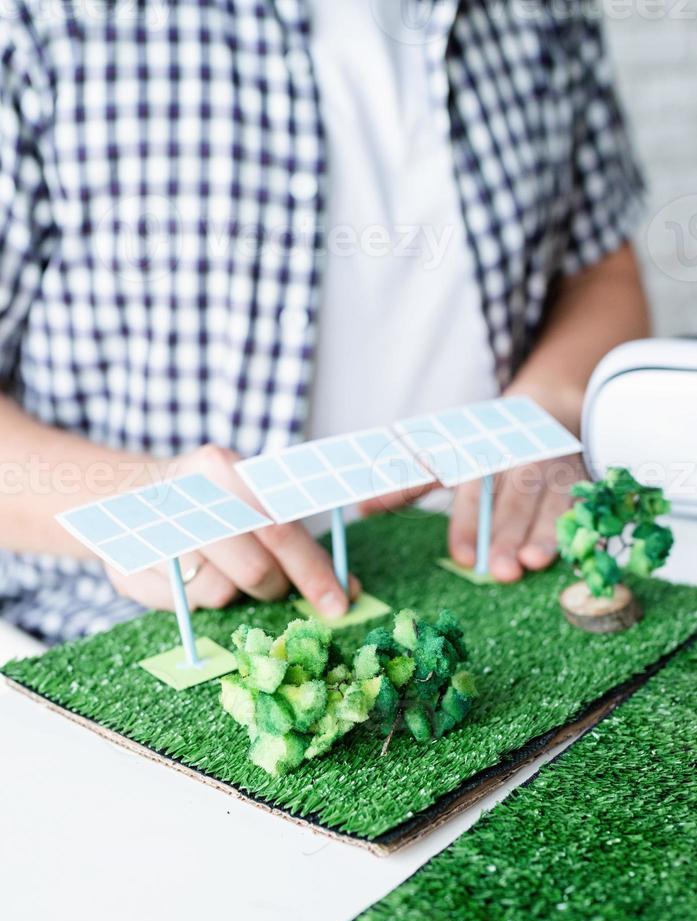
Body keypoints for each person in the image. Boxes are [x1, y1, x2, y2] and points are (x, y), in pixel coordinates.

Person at [0, 0, 650, 643]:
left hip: (493, 583)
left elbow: (600, 270)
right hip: (117, 628)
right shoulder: (39, 21)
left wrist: (548, 404)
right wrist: (135, 502)